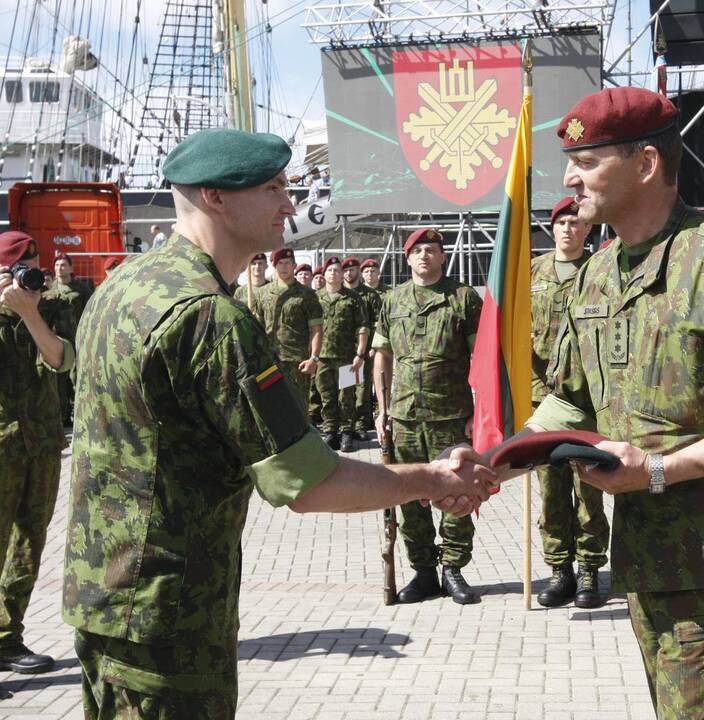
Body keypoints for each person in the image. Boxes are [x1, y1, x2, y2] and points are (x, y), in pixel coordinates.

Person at [62, 128, 496, 718]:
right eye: (273, 189)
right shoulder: (210, 319)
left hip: (105, 595)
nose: (290, 206)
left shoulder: (122, 287)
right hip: (169, 614)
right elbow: (306, 483)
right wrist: (433, 481)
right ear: (216, 197)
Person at [499, 87, 704, 718]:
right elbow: (573, 399)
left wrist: (661, 471)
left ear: (645, 163)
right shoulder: (598, 270)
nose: (570, 177)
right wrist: (495, 463)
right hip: (645, 560)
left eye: (587, 161)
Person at [373, 228, 484, 605]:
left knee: (457, 492)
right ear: (407, 259)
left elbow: (482, 360)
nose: (424, 256)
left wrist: (479, 412)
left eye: (431, 250)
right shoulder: (392, 300)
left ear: (442, 256)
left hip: (451, 414)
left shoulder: (463, 299)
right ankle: (423, 571)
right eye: (417, 250)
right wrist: (382, 409)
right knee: (408, 494)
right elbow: (382, 355)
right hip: (404, 416)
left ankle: (453, 568)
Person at [0, 231, 75, 675]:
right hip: (3, 446)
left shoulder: (53, 307)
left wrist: (29, 314)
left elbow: (62, 360)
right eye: (20, 266)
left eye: (35, 264)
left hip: (43, 443)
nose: (31, 273)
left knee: (29, 543)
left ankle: (8, 638)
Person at [530, 197, 609, 609]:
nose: (567, 228)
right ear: (551, 228)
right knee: (550, 489)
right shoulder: (532, 273)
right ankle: (559, 568)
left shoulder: (601, 271)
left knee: (589, 485)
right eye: (560, 222)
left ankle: (590, 570)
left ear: (586, 230)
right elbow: (516, 336)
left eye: (575, 222)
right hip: (543, 398)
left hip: (590, 400)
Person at [251, 247, 323, 401]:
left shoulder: (307, 294)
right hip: (269, 360)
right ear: (274, 266)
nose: (284, 267)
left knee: (299, 407)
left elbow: (316, 330)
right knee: (273, 406)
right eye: (280, 263)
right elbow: (257, 328)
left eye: (288, 263)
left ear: (294, 265)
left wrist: (314, 359)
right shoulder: (263, 293)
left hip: (297, 361)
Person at [315, 256, 370, 452]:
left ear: (341, 275)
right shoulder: (315, 298)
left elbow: (362, 327)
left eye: (337, 270)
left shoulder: (353, 298)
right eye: (330, 270)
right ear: (324, 274)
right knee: (326, 396)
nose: (334, 273)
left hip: (347, 356)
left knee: (346, 396)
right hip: (322, 357)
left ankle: (347, 432)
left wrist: (360, 354)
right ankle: (331, 431)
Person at [45, 252, 94, 422]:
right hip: (59, 343)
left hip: (78, 341)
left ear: (71, 268)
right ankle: (63, 416)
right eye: (57, 265)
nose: (60, 268)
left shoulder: (82, 290)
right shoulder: (49, 293)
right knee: (59, 381)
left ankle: (82, 415)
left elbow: (91, 312)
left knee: (79, 379)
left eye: (64, 265)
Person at [355, 257, 389, 440]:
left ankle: (384, 414)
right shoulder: (358, 294)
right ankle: (363, 420)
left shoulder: (388, 293)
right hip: (364, 344)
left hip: (384, 344)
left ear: (378, 273)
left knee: (383, 381)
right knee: (362, 383)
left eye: (373, 271)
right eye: (366, 272)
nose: (370, 274)